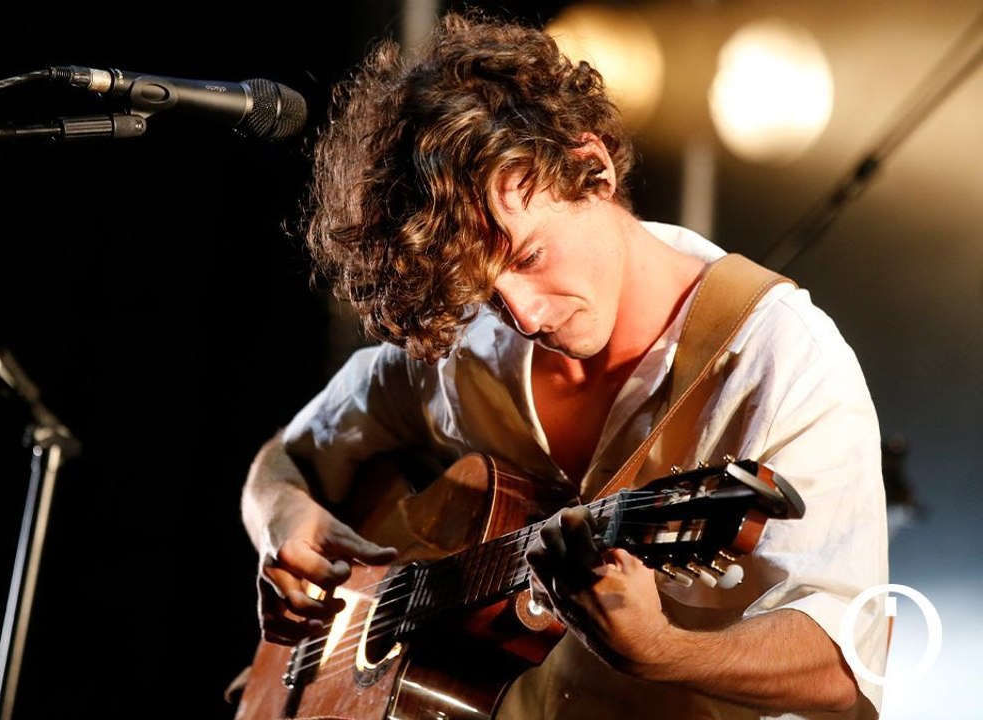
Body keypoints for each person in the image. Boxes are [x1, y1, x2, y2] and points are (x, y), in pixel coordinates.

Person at [240, 9, 888, 719]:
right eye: (484, 290)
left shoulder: (778, 359)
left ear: (594, 170)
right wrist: (283, 520)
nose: (523, 315)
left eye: (528, 255)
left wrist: (668, 649)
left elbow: (846, 666)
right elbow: (287, 459)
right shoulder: (464, 348)